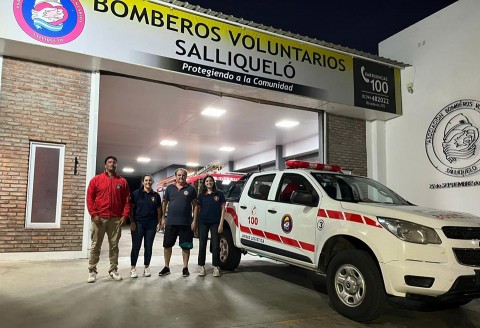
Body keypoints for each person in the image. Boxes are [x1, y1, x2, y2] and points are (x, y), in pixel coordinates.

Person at [86, 155, 131, 283]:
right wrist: (94, 214)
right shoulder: (96, 180)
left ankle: (113, 270)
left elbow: (126, 200)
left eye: (114, 162)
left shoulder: (122, 182)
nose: (112, 164)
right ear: (105, 165)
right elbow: (90, 198)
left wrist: (124, 215)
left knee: (114, 246)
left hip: (116, 219)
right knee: (95, 246)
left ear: (116, 165)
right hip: (99, 218)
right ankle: (92, 271)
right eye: (109, 162)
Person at [158, 168, 197, 277]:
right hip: (171, 222)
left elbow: (195, 206)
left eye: (183, 175)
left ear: (186, 176)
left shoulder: (191, 189)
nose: (181, 177)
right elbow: (164, 203)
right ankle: (166, 267)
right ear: (175, 176)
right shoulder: (170, 188)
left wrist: (194, 220)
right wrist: (162, 218)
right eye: (179, 175)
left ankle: (185, 268)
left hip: (186, 223)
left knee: (186, 246)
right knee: (167, 245)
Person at [129, 174, 162, 278]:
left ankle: (146, 267)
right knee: (136, 246)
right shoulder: (136, 193)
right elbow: (130, 209)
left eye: (150, 180)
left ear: (152, 182)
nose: (148, 182)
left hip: (151, 225)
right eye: (146, 180)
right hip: (138, 223)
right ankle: (133, 268)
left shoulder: (156, 195)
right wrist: (132, 222)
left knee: (148, 246)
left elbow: (159, 210)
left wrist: (159, 222)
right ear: (143, 182)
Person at [193, 175, 226, 277]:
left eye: (210, 181)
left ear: (213, 182)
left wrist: (221, 224)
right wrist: (195, 221)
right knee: (202, 244)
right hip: (203, 222)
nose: (209, 182)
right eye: (207, 181)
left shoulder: (219, 194)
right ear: (204, 183)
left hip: (215, 223)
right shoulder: (201, 195)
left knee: (216, 245)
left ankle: (216, 267)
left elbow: (223, 209)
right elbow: (197, 209)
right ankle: (201, 266)